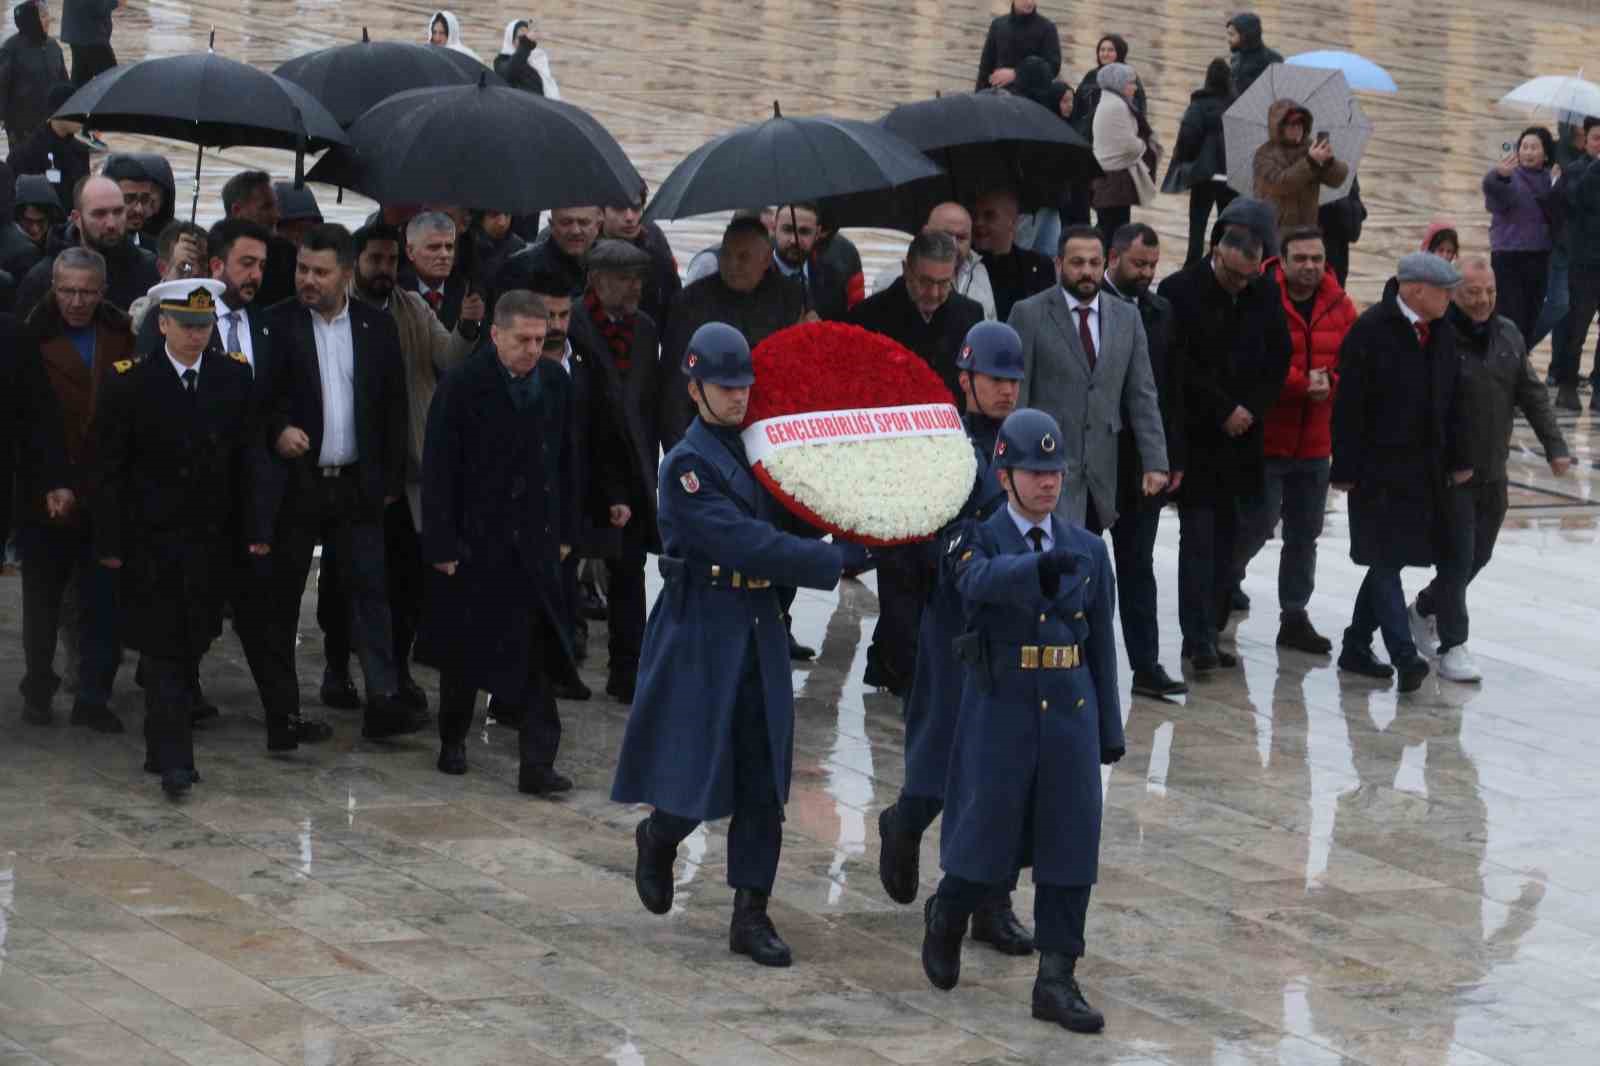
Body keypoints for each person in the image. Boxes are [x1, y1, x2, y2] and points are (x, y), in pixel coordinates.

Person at [614, 321, 843, 967]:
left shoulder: (763, 447)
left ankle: (751, 913)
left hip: (758, 621)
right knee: (695, 768)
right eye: (723, 386)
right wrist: (828, 561)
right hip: (702, 624)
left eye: (744, 385)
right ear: (694, 387)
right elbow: (747, 542)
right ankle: (660, 835)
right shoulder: (687, 465)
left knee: (763, 775)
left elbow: (800, 509)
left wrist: (856, 518)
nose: (738, 397)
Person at [919, 407, 1120, 1037]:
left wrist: (1108, 728)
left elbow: (1100, 645)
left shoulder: (1087, 548)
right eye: (1033, 470)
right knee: (985, 838)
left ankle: (1056, 978)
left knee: (1071, 847)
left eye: (1054, 470)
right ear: (1004, 475)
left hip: (1068, 711)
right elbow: (975, 583)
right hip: (1001, 706)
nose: (1047, 483)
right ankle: (948, 913)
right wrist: (1036, 570)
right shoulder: (976, 537)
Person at [93, 278, 268, 794]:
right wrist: (109, 541)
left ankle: (158, 743)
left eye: (204, 325)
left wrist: (257, 528)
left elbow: (249, 459)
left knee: (193, 640)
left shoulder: (232, 379)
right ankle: (177, 760)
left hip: (212, 541)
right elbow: (108, 470)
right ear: (162, 324)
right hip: (152, 542)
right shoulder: (130, 382)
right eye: (186, 325)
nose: (196, 335)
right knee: (166, 647)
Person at [878, 321, 1021, 946]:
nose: (1007, 392)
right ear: (966, 379)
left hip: (1009, 628)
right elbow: (911, 539)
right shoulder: (943, 446)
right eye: (995, 380)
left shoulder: (1025, 442)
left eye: (1014, 380)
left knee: (1002, 773)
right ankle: (904, 822)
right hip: (950, 622)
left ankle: (992, 903)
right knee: (939, 759)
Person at [415, 289, 584, 791]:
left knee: (538, 652)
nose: (533, 349)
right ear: (495, 335)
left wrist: (568, 533)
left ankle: (537, 763)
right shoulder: (463, 385)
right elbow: (440, 468)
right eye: (523, 340)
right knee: (466, 652)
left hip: (535, 541)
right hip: (476, 540)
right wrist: (442, 546)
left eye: (541, 339)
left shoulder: (554, 382)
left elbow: (570, 461)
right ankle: (453, 739)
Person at [258, 223, 418, 742]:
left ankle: (383, 699)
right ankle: (282, 709)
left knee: (371, 592)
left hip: (357, 484)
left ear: (345, 275)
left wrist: (389, 477)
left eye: (319, 272)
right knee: (282, 597)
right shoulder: (276, 324)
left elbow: (394, 406)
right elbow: (258, 401)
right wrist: (278, 430)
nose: (307, 279)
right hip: (298, 484)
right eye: (302, 268)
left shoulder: (375, 327)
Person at [316, 222, 480, 715]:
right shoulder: (336, 313)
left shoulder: (412, 308)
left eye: (391, 261)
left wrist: (469, 327)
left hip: (409, 475)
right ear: (353, 265)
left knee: (406, 583)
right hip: (355, 472)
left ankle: (395, 674)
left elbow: (449, 359)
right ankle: (337, 668)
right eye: (376, 260)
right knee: (344, 583)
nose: (385, 269)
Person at [1409, 256, 1569, 683]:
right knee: (1458, 557)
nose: (1482, 301)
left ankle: (1424, 608)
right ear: (1455, 294)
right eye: (1472, 293)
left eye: (1489, 292)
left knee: (1479, 555)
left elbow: (1532, 395)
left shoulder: (1509, 335)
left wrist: (1556, 447)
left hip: (1492, 470)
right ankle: (1453, 645)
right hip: (1452, 472)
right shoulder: (1441, 339)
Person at [849, 230, 985, 695]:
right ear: (907, 271)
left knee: (937, 570)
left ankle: (893, 662)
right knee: (898, 571)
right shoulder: (870, 317)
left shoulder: (969, 316)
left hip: (946, 461)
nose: (933, 293)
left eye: (944, 283)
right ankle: (904, 671)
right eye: (925, 282)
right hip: (891, 464)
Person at [1331, 252, 1472, 694]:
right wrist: (1346, 467)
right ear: (1414, 290)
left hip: (1424, 471)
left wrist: (1459, 457)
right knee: (1385, 559)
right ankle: (1404, 656)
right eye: (1444, 290)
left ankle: (1356, 643)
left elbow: (1456, 400)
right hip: (1376, 469)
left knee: (1386, 559)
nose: (1452, 297)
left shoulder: (1444, 333)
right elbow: (1349, 406)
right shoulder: (1371, 331)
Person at [1158, 211, 1290, 671]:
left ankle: (1213, 629)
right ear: (1216, 255)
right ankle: (1196, 641)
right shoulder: (1179, 291)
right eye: (1233, 275)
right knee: (1197, 541)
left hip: (1244, 440)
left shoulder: (1264, 293)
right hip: (1198, 439)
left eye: (1248, 276)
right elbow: (1179, 367)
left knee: (1232, 541)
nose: (1240, 284)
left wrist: (1250, 409)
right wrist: (1222, 410)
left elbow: (1278, 359)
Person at [16, 245, 129, 730]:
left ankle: (93, 695)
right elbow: (23, 424)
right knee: (42, 601)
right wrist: (49, 483)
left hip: (106, 488)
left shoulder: (121, 333)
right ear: (53, 289)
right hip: (46, 489)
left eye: (86, 292)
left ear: (102, 292)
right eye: (67, 291)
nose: (77, 302)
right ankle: (39, 687)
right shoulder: (29, 337)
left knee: (103, 599)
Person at [1232, 226, 1356, 654]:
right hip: (1268, 438)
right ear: (1281, 262)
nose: (1310, 267)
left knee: (1305, 534)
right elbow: (1254, 360)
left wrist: (1333, 382)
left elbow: (1353, 360)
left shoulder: (1340, 304)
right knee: (1257, 524)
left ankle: (1294, 614)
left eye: (1316, 259)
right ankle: (1226, 580)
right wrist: (1301, 384)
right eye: (1300, 258)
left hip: (1315, 442)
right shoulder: (1261, 298)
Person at [1011, 224, 1168, 531]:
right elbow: (1018, 396)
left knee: (1086, 564)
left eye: (1094, 263)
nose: (1087, 271)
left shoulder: (1127, 317)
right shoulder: (1029, 313)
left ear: (1105, 263)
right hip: (1044, 470)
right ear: (1058, 265)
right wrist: (1014, 464)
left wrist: (1155, 461)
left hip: (1100, 474)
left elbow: (1142, 394)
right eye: (1077, 262)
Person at [569, 238, 671, 702]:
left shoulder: (646, 329)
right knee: (569, 566)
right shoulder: (571, 323)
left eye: (639, 278)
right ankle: (565, 658)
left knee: (630, 573)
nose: (635, 287)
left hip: (634, 469)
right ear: (596, 279)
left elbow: (654, 401)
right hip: (583, 466)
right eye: (625, 278)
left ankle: (628, 669)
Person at [1098, 223, 1187, 697]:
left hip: (1143, 464)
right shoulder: (1091, 309)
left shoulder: (1159, 312)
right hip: (1096, 461)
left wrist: (1171, 457)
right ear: (1114, 257)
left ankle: (1146, 665)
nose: (1147, 274)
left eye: (1152, 266)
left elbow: (1169, 392)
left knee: (1138, 566)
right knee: (1085, 565)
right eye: (1139, 264)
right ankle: (1084, 659)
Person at [662, 216, 804, 445]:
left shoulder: (791, 298)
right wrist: (679, 447)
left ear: (767, 259)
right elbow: (675, 388)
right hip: (708, 431)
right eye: (726, 255)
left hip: (771, 429)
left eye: (744, 257)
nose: (732, 265)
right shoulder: (690, 303)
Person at [13, 174, 158, 316]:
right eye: (99, 214)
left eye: (118, 212)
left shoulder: (147, 268)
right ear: (76, 218)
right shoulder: (42, 278)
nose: (111, 224)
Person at [1482, 128, 1555, 345]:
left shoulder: (1550, 179)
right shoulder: (1511, 177)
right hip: (1508, 256)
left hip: (1539, 256)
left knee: (1531, 314)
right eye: (1524, 147)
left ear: (1545, 153)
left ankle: (1518, 359)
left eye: (1534, 147)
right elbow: (1493, 192)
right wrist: (1499, 177)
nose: (1528, 152)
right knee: (1509, 315)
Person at [873, 202, 995, 320]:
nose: (953, 245)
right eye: (945, 235)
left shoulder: (980, 271)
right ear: (925, 233)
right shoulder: (891, 276)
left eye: (961, 238)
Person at [1168, 58, 1236, 267]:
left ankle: (1192, 265)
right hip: (1231, 176)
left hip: (1204, 175)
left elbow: (1188, 136)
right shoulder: (1237, 104)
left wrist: (1186, 163)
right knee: (1227, 224)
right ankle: (1219, 263)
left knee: (1197, 224)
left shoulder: (1199, 105)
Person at [1252, 100, 1349, 230]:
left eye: (1300, 124)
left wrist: (1329, 162)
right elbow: (1279, 184)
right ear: (1279, 127)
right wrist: (1310, 162)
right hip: (1275, 230)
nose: (1297, 129)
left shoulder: (1311, 147)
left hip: (1307, 229)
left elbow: (1337, 180)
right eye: (1292, 125)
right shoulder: (1264, 154)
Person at [1090, 63, 1157, 247]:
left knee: (1108, 227)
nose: (1135, 88)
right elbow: (1128, 145)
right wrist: (1143, 145)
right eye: (1131, 83)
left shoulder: (1110, 101)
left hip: (1109, 177)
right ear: (1119, 83)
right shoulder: (1117, 105)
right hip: (1114, 180)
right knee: (1114, 231)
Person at [1558, 122, 1600, 411]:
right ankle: (1567, 384)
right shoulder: (1576, 170)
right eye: (1597, 138)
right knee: (1577, 328)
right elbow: (1577, 200)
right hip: (1584, 263)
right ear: (1586, 141)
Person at [599, 181, 679, 332]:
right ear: (601, 211)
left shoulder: (656, 242)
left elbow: (672, 300)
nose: (629, 217)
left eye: (636, 208)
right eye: (619, 208)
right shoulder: (582, 244)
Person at [974, 186, 1055, 322]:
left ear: (1012, 221)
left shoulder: (1040, 265)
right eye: (975, 216)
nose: (978, 223)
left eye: (989, 216)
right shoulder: (966, 267)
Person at [6, 82, 89, 215]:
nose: (84, 117)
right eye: (77, 110)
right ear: (59, 111)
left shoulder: (81, 151)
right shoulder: (27, 153)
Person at [495, 204, 600, 307]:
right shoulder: (520, 268)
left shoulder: (609, 265)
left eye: (584, 223)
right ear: (551, 224)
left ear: (598, 225)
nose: (575, 231)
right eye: (566, 223)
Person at [0, 1, 68, 157]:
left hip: (49, 122)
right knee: (22, 165)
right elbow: (2, 85)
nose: (48, 19)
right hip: (21, 125)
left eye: (47, 15)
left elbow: (63, 80)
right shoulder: (11, 49)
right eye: (43, 16)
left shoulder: (53, 46)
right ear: (31, 20)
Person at [221, 170, 297, 308]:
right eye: (266, 207)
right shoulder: (210, 250)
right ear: (237, 210)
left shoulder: (287, 254)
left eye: (276, 206)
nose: (277, 215)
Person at [771, 201, 851, 321]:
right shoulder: (753, 275)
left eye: (804, 232)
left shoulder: (833, 277)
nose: (794, 240)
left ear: (817, 233)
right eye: (787, 230)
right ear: (774, 227)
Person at [400, 211, 469, 331]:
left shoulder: (466, 291)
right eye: (434, 247)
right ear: (410, 252)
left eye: (449, 247)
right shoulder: (395, 293)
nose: (444, 255)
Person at [975, 0, 1059, 91]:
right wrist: (978, 95)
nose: (1029, 2)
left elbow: (1052, 69)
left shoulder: (1047, 28)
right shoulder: (998, 25)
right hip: (999, 94)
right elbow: (985, 67)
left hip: (1030, 97)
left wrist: (1017, 74)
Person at [494, 18, 559, 99]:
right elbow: (511, 71)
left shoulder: (537, 59)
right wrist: (526, 43)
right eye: (521, 37)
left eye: (527, 36)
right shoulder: (502, 60)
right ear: (511, 39)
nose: (524, 40)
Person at [59, 0, 116, 87]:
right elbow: (98, 6)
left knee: (80, 84)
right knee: (112, 82)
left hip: (78, 33)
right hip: (91, 36)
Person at [1225, 12, 1282, 97]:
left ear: (1246, 36)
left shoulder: (1273, 62)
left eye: (1232, 35)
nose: (1228, 39)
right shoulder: (1235, 58)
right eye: (1228, 34)